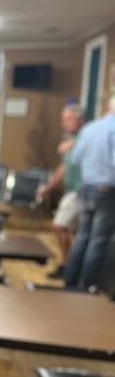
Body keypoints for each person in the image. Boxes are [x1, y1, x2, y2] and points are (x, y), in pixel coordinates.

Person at [64, 94, 115, 290]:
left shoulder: (90, 128)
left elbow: (76, 159)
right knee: (98, 241)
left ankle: (70, 282)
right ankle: (88, 286)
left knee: (82, 237)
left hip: (86, 188)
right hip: (106, 191)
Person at [36, 101, 85, 279]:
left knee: (58, 226)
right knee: (74, 232)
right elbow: (62, 168)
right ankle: (73, 267)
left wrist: (75, 145)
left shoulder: (85, 138)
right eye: (63, 119)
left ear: (80, 120)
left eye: (69, 119)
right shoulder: (70, 142)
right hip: (72, 191)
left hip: (81, 192)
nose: (65, 123)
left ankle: (67, 266)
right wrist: (48, 187)